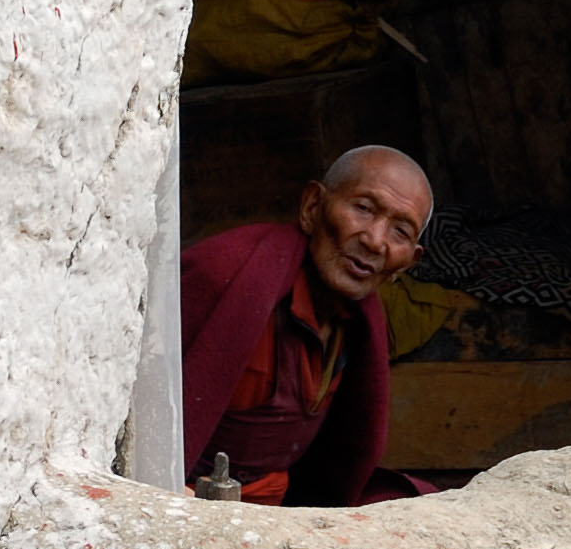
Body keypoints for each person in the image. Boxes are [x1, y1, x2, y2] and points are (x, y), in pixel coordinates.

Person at [179, 144, 430, 506]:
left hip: (279, 504)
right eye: (363, 209)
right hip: (183, 498)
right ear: (313, 207)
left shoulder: (358, 324)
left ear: (407, 263)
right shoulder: (224, 273)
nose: (375, 241)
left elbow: (340, 459)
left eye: (401, 231)